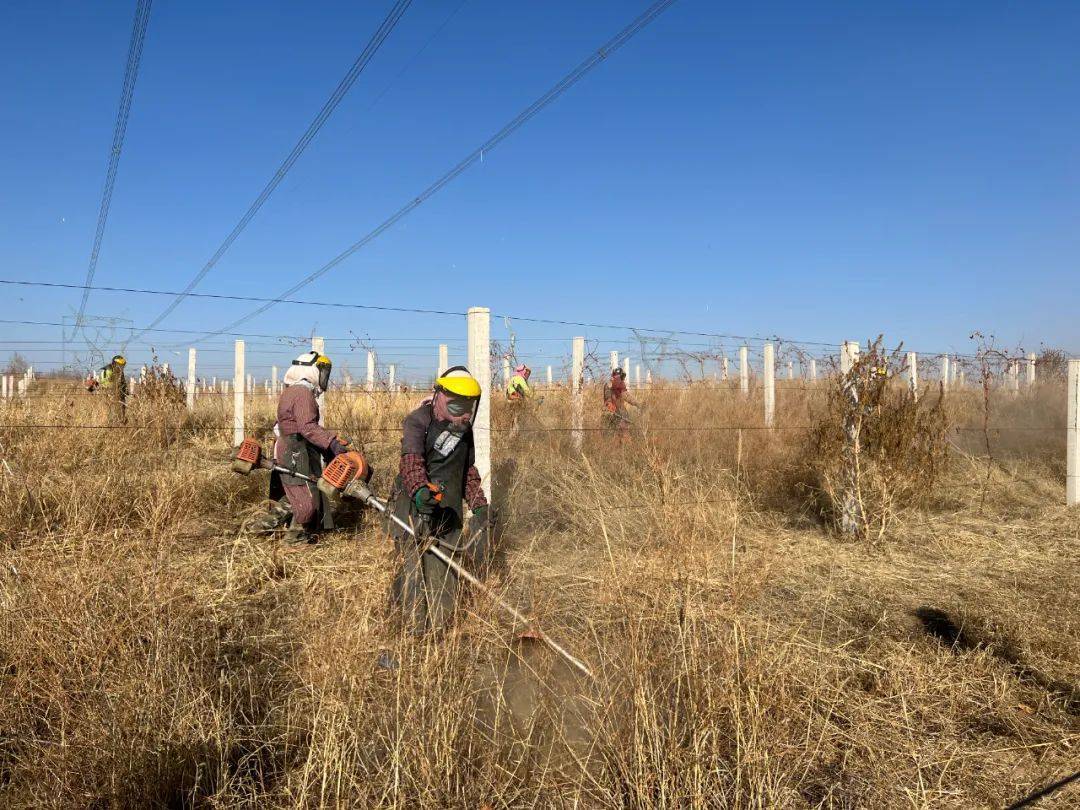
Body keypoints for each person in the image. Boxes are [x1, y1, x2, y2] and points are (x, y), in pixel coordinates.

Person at [389, 365, 492, 633]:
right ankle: (410, 633)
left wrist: (479, 505)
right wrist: (421, 491)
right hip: (414, 506)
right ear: (441, 398)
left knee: (444, 578)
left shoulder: (465, 431)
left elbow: (468, 471)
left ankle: (439, 634)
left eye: (469, 406)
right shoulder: (418, 421)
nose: (464, 414)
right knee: (411, 573)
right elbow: (411, 462)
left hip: (449, 512)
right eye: (458, 406)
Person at [259, 351, 351, 544]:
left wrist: (328, 441)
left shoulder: (296, 390)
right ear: (309, 369)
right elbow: (307, 427)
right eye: (322, 371)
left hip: (295, 446)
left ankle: (258, 528)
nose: (324, 376)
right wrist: (331, 443)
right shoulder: (302, 393)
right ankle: (294, 540)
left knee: (294, 493)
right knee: (305, 500)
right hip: (294, 449)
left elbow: (306, 427)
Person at [603, 367, 639, 437]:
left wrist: (638, 404)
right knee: (615, 435)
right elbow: (608, 398)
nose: (619, 379)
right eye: (616, 377)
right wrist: (610, 405)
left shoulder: (620, 384)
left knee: (624, 432)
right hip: (612, 412)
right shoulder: (609, 384)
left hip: (621, 411)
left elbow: (627, 396)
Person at [99, 355, 127, 422]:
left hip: (120, 394)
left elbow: (123, 382)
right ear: (115, 364)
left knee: (122, 411)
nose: (122, 366)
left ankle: (121, 423)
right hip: (110, 394)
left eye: (123, 365)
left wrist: (125, 390)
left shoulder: (120, 371)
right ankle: (111, 424)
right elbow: (105, 383)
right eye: (120, 364)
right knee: (112, 411)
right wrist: (114, 389)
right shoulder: (108, 370)